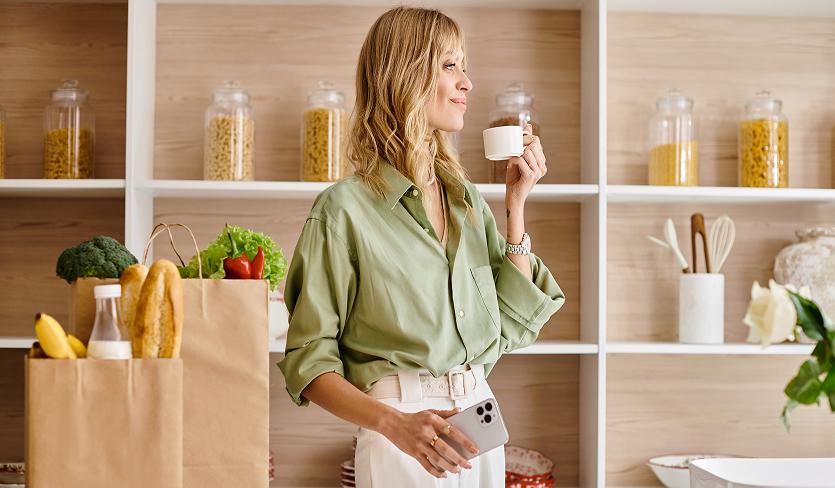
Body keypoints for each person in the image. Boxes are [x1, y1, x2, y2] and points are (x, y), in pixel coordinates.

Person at [277, 6, 565, 487]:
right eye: (450, 65)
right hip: (402, 435)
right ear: (405, 75)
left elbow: (510, 328)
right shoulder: (344, 210)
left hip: (479, 421)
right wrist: (393, 425)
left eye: (464, 65)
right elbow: (309, 362)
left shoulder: (466, 200)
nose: (467, 82)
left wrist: (516, 205)